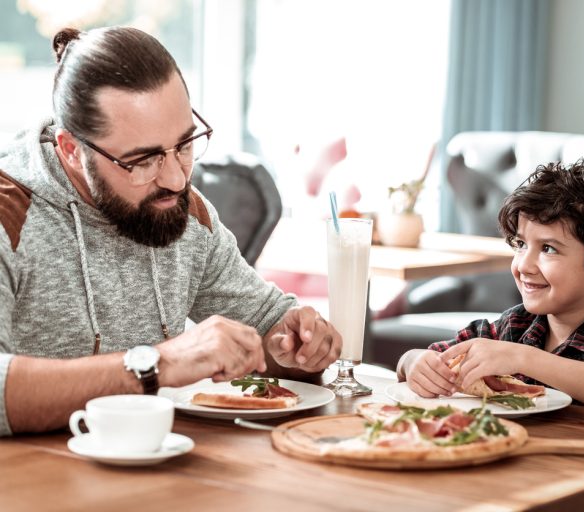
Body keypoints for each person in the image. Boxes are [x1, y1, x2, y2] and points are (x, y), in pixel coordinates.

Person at [0, 26, 342, 437]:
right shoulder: (9, 213)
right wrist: (157, 364)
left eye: (184, 145)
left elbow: (268, 329)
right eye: (143, 160)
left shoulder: (182, 211)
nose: (178, 180)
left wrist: (297, 347)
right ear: (72, 150)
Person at [396, 161, 584, 421]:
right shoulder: (511, 328)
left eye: (548, 249)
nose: (524, 265)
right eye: (520, 244)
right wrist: (415, 362)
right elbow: (431, 359)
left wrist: (523, 358)